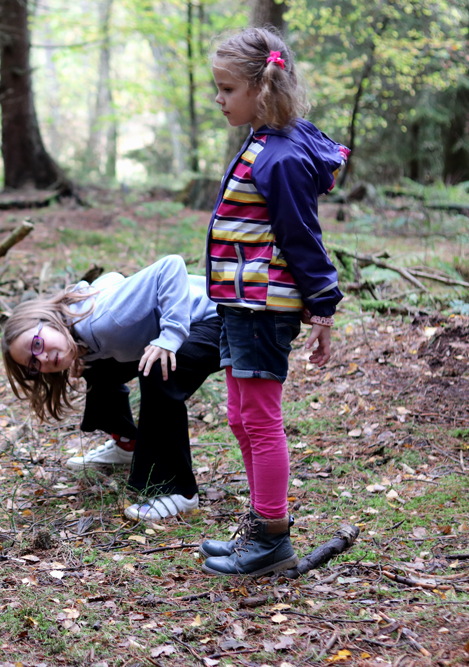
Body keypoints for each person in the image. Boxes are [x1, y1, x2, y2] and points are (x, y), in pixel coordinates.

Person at [198, 27, 348, 576]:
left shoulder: (280, 157)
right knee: (240, 416)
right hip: (240, 304)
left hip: (263, 306)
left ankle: (271, 538)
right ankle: (261, 525)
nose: (219, 98)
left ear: (261, 91)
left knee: (259, 420)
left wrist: (323, 303)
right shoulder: (262, 142)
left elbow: (301, 234)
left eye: (226, 88)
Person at [1, 255, 222, 521]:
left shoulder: (104, 320)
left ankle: (179, 492)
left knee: (157, 367)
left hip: (222, 319)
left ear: (47, 320)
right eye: (34, 364)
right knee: (99, 367)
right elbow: (114, 278)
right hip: (202, 321)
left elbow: (171, 265)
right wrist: (84, 355)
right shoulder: (80, 328)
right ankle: (127, 445)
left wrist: (170, 336)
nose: (44, 358)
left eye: (37, 344)